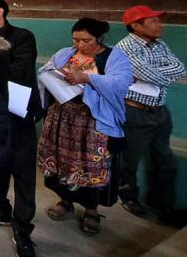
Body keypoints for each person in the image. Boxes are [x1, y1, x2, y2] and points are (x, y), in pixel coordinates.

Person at [37, 18, 132, 235]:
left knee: (90, 165)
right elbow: (48, 70)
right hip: (63, 118)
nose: (80, 45)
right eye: (76, 40)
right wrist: (50, 73)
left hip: (92, 122)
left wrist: (87, 78)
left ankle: (92, 210)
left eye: (86, 40)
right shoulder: (65, 53)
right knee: (63, 161)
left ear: (99, 38)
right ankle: (65, 201)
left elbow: (120, 83)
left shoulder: (114, 57)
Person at [0, 0, 41, 256]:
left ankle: (23, 227)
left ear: (0, 11)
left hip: (19, 114)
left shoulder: (22, 37)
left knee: (23, 171)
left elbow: (20, 72)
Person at [115, 6, 187, 219]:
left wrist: (152, 73)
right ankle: (128, 196)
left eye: (158, 20)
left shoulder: (160, 44)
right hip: (135, 111)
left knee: (164, 159)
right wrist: (156, 73)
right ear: (136, 26)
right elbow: (150, 75)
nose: (160, 25)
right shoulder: (125, 48)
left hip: (160, 111)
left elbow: (181, 70)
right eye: (153, 21)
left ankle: (163, 202)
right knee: (130, 160)